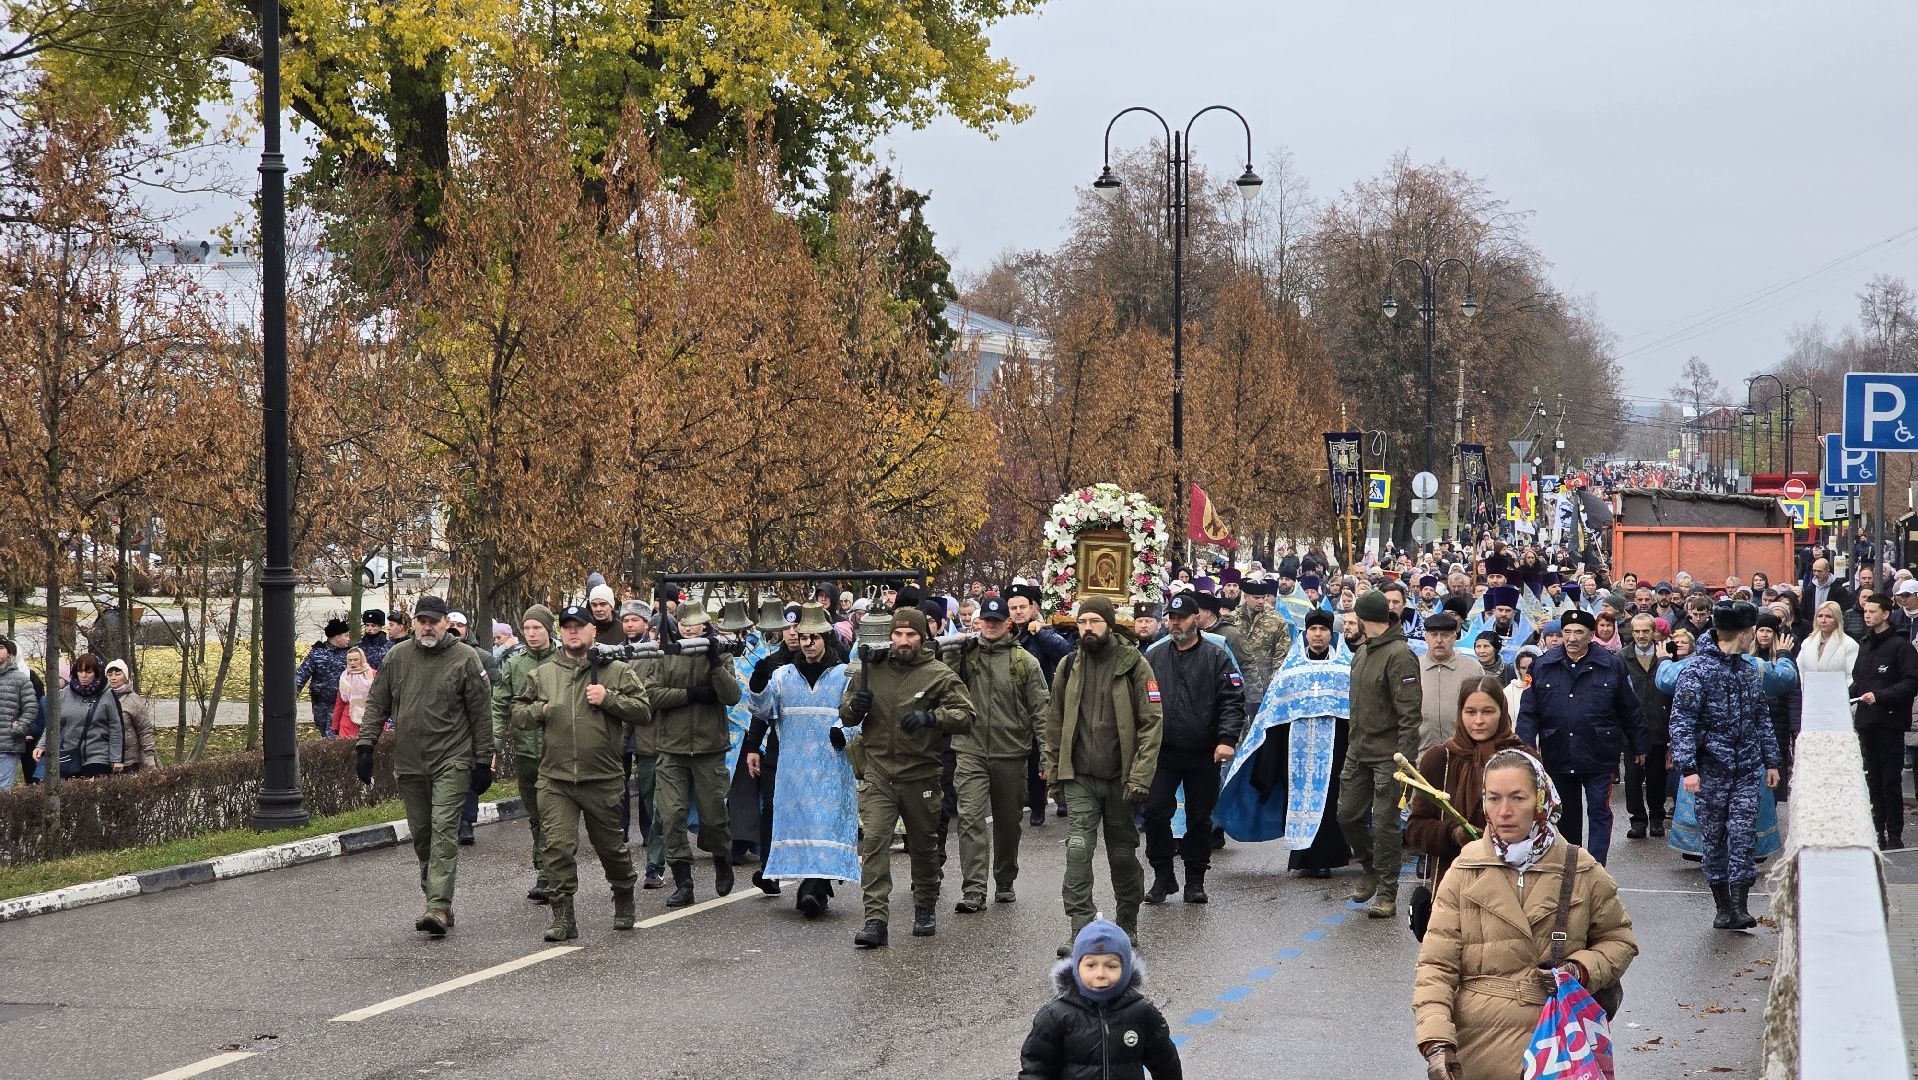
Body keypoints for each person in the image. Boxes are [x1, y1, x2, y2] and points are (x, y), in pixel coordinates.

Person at [1412, 750, 1638, 1080]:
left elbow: (1619, 941)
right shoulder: (1464, 870)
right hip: (1478, 1050)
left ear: (1541, 799)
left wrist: (1581, 969)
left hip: (1559, 1046)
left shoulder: (1581, 868)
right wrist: (1436, 1044)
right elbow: (1436, 966)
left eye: (1518, 797)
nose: (1504, 811)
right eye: (1493, 798)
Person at [355, 595, 494, 936]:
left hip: (452, 759)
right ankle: (436, 898)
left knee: (444, 829)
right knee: (422, 836)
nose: (428, 626)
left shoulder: (465, 658)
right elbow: (377, 703)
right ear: (413, 623)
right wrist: (365, 745)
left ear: (447, 622)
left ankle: (438, 907)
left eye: (434, 620)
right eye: (422, 620)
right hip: (410, 761)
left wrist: (483, 760)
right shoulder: (397, 657)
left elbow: (481, 713)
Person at [512, 604, 651, 940]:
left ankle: (623, 896)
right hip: (555, 778)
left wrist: (609, 699)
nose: (573, 632)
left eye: (580, 626)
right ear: (560, 632)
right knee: (557, 847)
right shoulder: (544, 673)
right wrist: (540, 710)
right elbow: (517, 711)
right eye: (567, 626)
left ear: (594, 631)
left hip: (601, 778)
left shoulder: (615, 670)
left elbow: (644, 710)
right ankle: (563, 918)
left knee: (611, 849)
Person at [841, 604, 974, 947]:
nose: (903, 640)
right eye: (898, 634)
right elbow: (846, 713)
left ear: (923, 637)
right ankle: (875, 920)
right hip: (879, 771)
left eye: (911, 634)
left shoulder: (938, 673)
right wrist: (855, 707)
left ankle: (925, 905)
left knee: (924, 846)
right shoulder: (871, 669)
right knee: (874, 843)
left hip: (921, 774)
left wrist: (933, 718)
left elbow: (966, 715)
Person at [1043, 595, 1161, 956]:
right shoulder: (1068, 665)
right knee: (1078, 850)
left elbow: (1152, 722)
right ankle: (1080, 928)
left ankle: (1127, 923)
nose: (1088, 628)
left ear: (1109, 624)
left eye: (1095, 621)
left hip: (1121, 779)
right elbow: (1054, 720)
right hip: (1079, 775)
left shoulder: (1135, 664)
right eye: (1082, 622)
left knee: (1123, 855)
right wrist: (1053, 774)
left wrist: (1140, 776)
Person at [1669, 600, 1781, 929]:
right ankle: (1722, 906)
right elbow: (1682, 723)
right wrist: (1688, 768)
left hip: (1746, 769)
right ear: (1743, 633)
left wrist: (1771, 761)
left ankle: (1740, 904)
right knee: (1714, 838)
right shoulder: (1697, 670)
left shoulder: (1747, 670)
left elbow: (1762, 718)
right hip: (1710, 769)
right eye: (1750, 633)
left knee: (1744, 834)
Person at [1216, 608, 1352, 878]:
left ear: (1331, 634)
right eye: (1312, 630)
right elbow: (1272, 716)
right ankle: (1304, 857)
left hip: (1335, 748)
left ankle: (1328, 856)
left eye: (1323, 630)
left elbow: (1356, 713)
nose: (1317, 634)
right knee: (1298, 801)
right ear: (1305, 634)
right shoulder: (1290, 672)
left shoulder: (1345, 670)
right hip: (1296, 751)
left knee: (1330, 801)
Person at [1516, 609, 1647, 866]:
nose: (1572, 638)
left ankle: (1595, 867)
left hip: (1599, 751)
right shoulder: (1542, 665)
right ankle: (1571, 864)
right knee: (1566, 814)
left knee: (1599, 810)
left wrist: (1639, 744)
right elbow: (1528, 711)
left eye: (1579, 632)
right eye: (1567, 632)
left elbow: (1630, 708)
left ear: (1591, 636)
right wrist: (1526, 748)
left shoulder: (1612, 664)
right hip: (1558, 750)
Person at [753, 603, 858, 917]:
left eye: (815, 637)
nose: (808, 642)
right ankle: (815, 886)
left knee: (825, 827)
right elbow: (761, 710)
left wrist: (844, 733)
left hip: (832, 767)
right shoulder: (783, 676)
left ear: (826, 637)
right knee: (803, 827)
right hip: (793, 770)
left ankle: (813, 888)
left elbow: (858, 718)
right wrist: (758, 684)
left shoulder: (844, 675)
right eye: (803, 636)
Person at [1141, 592, 1245, 905]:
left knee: (1200, 818)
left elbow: (1232, 700)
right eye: (1170, 619)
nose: (1175, 624)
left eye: (1181, 618)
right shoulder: (1155, 656)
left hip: (1204, 752)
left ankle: (1195, 881)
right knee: (1156, 812)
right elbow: (1141, 701)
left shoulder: (1216, 655)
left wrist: (1227, 740)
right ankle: (1162, 875)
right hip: (1164, 752)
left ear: (1195, 620)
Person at [952, 594, 1049, 912]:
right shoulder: (965, 655)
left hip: (1011, 753)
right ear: (978, 622)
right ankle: (974, 889)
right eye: (986, 620)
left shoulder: (1025, 663)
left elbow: (1041, 711)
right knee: (969, 818)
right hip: (970, 749)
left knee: (1008, 823)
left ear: (1008, 623)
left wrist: (1047, 755)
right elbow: (940, 677)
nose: (990, 626)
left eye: (997, 621)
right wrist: (955, 650)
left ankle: (1005, 879)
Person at [645, 600, 744, 907]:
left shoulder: (721, 652)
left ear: (705, 625)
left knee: (714, 817)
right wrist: (690, 695)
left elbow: (731, 695)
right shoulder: (666, 653)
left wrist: (715, 663)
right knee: (671, 815)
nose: (689, 628)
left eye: (695, 623)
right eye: (684, 623)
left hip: (708, 748)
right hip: (671, 748)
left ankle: (721, 857)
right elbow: (650, 693)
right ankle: (683, 881)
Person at [1340, 589, 1423, 919]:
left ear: (1364, 619)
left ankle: (1387, 891)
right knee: (1346, 816)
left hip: (1390, 757)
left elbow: (1409, 713)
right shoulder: (1361, 653)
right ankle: (1370, 866)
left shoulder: (1400, 655)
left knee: (1387, 823)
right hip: (1358, 752)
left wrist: (1405, 760)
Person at [1017, 919, 1182, 1080]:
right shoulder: (1055, 1015)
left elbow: (1166, 1064)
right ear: (1076, 967)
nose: (1100, 974)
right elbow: (1036, 1068)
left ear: (1125, 968)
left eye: (1111, 966)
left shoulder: (1142, 1012)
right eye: (1090, 965)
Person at [1407, 678, 1528, 888]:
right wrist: (1453, 833)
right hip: (1453, 886)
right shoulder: (1440, 759)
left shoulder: (1523, 759)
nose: (1478, 720)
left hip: (1512, 883)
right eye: (1470, 712)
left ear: (1502, 712)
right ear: (1460, 713)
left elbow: (1543, 823)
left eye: (1488, 711)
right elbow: (1416, 828)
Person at [494, 606, 558, 903]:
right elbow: (500, 705)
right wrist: (492, 745)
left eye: (538, 628)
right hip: (526, 751)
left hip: (558, 750)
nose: (532, 634)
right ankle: (544, 873)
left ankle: (554, 873)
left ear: (548, 630)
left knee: (554, 815)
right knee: (535, 816)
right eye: (527, 628)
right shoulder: (515, 663)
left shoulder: (563, 659)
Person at [1850, 592, 1918, 850]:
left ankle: (1895, 834)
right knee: (1872, 780)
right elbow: (1858, 680)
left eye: (1873, 611)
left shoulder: (1901, 646)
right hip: (1867, 721)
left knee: (1890, 780)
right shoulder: (1865, 644)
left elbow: (1911, 682)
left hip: (1889, 721)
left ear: (1886, 614)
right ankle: (1876, 831)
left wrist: (1881, 696)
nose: (1867, 615)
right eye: (1865, 611)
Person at [1621, 614, 1671, 839]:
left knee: (1657, 776)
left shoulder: (1666, 657)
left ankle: (1657, 817)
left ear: (1654, 633)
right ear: (1632, 633)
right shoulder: (1621, 658)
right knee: (1632, 778)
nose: (1641, 635)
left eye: (1645, 631)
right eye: (1637, 631)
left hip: (1659, 726)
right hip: (1632, 728)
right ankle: (1638, 820)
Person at [53, 653, 122, 778]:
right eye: (80, 671)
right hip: (70, 755)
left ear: (97, 673)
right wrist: (41, 746)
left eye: (88, 672)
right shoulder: (64, 694)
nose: (84, 676)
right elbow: (54, 724)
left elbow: (116, 727)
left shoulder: (108, 695)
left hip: (98, 756)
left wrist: (116, 758)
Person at [1416, 613, 1473, 753]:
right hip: (1419, 755)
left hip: (1462, 755)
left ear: (1454, 637)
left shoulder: (1472, 668)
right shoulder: (1412, 667)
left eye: (1445, 635)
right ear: (1426, 637)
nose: (1439, 640)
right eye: (1433, 635)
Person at [294, 618, 353, 737]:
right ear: (337, 637)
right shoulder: (317, 653)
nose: (348, 639)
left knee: (336, 737)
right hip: (321, 705)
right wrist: (289, 698)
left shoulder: (350, 654)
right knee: (326, 736)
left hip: (343, 704)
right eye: (346, 635)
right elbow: (301, 676)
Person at [104, 660, 156, 773]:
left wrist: (149, 757)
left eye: (118, 674)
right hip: (104, 760)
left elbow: (145, 730)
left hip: (129, 761)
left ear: (125, 676)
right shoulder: (101, 698)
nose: (113, 678)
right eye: (110, 674)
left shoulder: (133, 700)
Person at [0, 637, 36, 788]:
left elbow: (31, 707)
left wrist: (18, 728)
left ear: (9, 652)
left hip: (8, 744)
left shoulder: (20, 679)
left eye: (0, 647)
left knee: (3, 788)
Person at [1796, 600, 1858, 676]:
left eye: (1829, 617)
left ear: (1837, 620)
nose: (1823, 620)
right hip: (1809, 687)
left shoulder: (1849, 644)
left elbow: (1851, 676)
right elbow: (1800, 670)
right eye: (1820, 616)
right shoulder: (1807, 642)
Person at [332, 647, 377, 742]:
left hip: (370, 718)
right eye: (350, 660)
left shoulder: (373, 675)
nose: (352, 663)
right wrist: (335, 726)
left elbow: (382, 700)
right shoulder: (344, 678)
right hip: (348, 719)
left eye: (355, 660)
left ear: (362, 659)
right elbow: (340, 703)